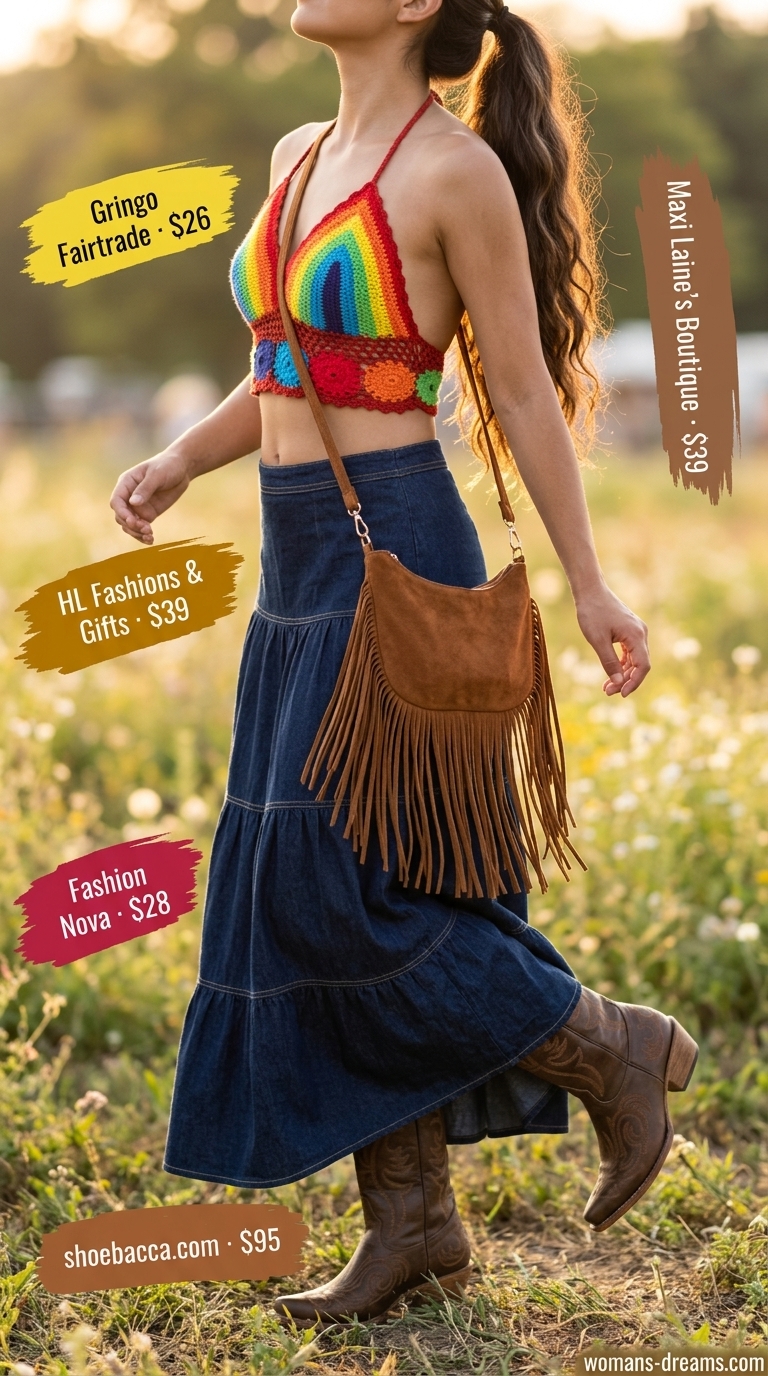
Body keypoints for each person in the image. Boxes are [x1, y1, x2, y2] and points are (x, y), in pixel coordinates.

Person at [110, 0, 698, 1327]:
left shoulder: (455, 171)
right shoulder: (294, 154)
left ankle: (612, 1048)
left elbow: (523, 390)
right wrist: (179, 460)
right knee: (359, 869)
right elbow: (280, 361)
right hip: (299, 558)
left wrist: (591, 581)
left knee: (337, 888)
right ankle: (416, 1227)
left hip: (401, 550)